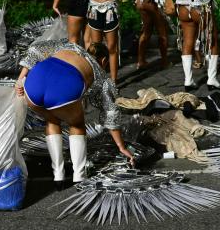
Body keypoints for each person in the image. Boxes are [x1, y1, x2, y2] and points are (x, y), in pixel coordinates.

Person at [15, 40, 134, 190]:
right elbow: (110, 112)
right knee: (76, 124)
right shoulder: (101, 75)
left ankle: (58, 176)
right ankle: (79, 176)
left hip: (33, 85)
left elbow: (35, 48)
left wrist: (20, 79)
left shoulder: (67, 45)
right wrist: (121, 146)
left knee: (52, 121)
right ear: (103, 60)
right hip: (64, 89)